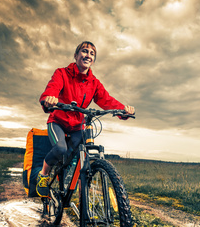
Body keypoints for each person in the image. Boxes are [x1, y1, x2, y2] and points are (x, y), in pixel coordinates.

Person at [36, 41, 135, 197]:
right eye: (84, 51)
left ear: (93, 60)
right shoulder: (62, 73)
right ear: (76, 56)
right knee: (61, 149)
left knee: (80, 155)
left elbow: (106, 100)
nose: (88, 55)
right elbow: (53, 87)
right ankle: (43, 175)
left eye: (92, 53)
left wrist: (123, 111)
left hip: (77, 125)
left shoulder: (94, 83)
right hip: (58, 122)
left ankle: (80, 189)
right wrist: (50, 99)